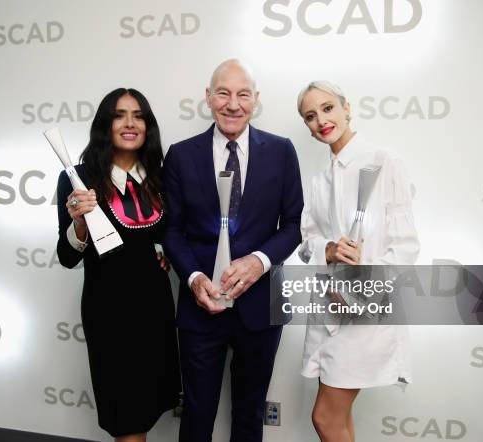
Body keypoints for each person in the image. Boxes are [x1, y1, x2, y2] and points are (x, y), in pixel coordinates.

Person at [163, 59, 303, 442]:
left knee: (250, 415)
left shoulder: (281, 151)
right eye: (223, 93)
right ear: (208, 98)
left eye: (243, 94)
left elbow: (294, 226)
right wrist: (193, 278)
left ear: (256, 100)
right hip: (200, 309)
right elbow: (171, 230)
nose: (233, 103)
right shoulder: (180, 154)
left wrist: (259, 262)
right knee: (196, 415)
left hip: (261, 307)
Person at [297, 80, 420, 442]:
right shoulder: (320, 179)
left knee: (325, 417)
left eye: (328, 108)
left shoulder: (383, 162)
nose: (321, 120)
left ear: (346, 108)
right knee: (339, 418)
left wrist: (362, 287)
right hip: (328, 310)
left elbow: (406, 246)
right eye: (310, 116)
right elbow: (307, 242)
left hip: (367, 311)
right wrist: (329, 250)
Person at [56, 88, 181, 442]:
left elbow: (167, 234)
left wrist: (162, 251)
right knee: (126, 420)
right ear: (105, 125)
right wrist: (79, 223)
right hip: (109, 314)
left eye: (138, 115)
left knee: (149, 409)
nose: (129, 123)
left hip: (155, 311)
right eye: (119, 115)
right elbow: (67, 257)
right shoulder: (77, 179)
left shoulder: (159, 178)